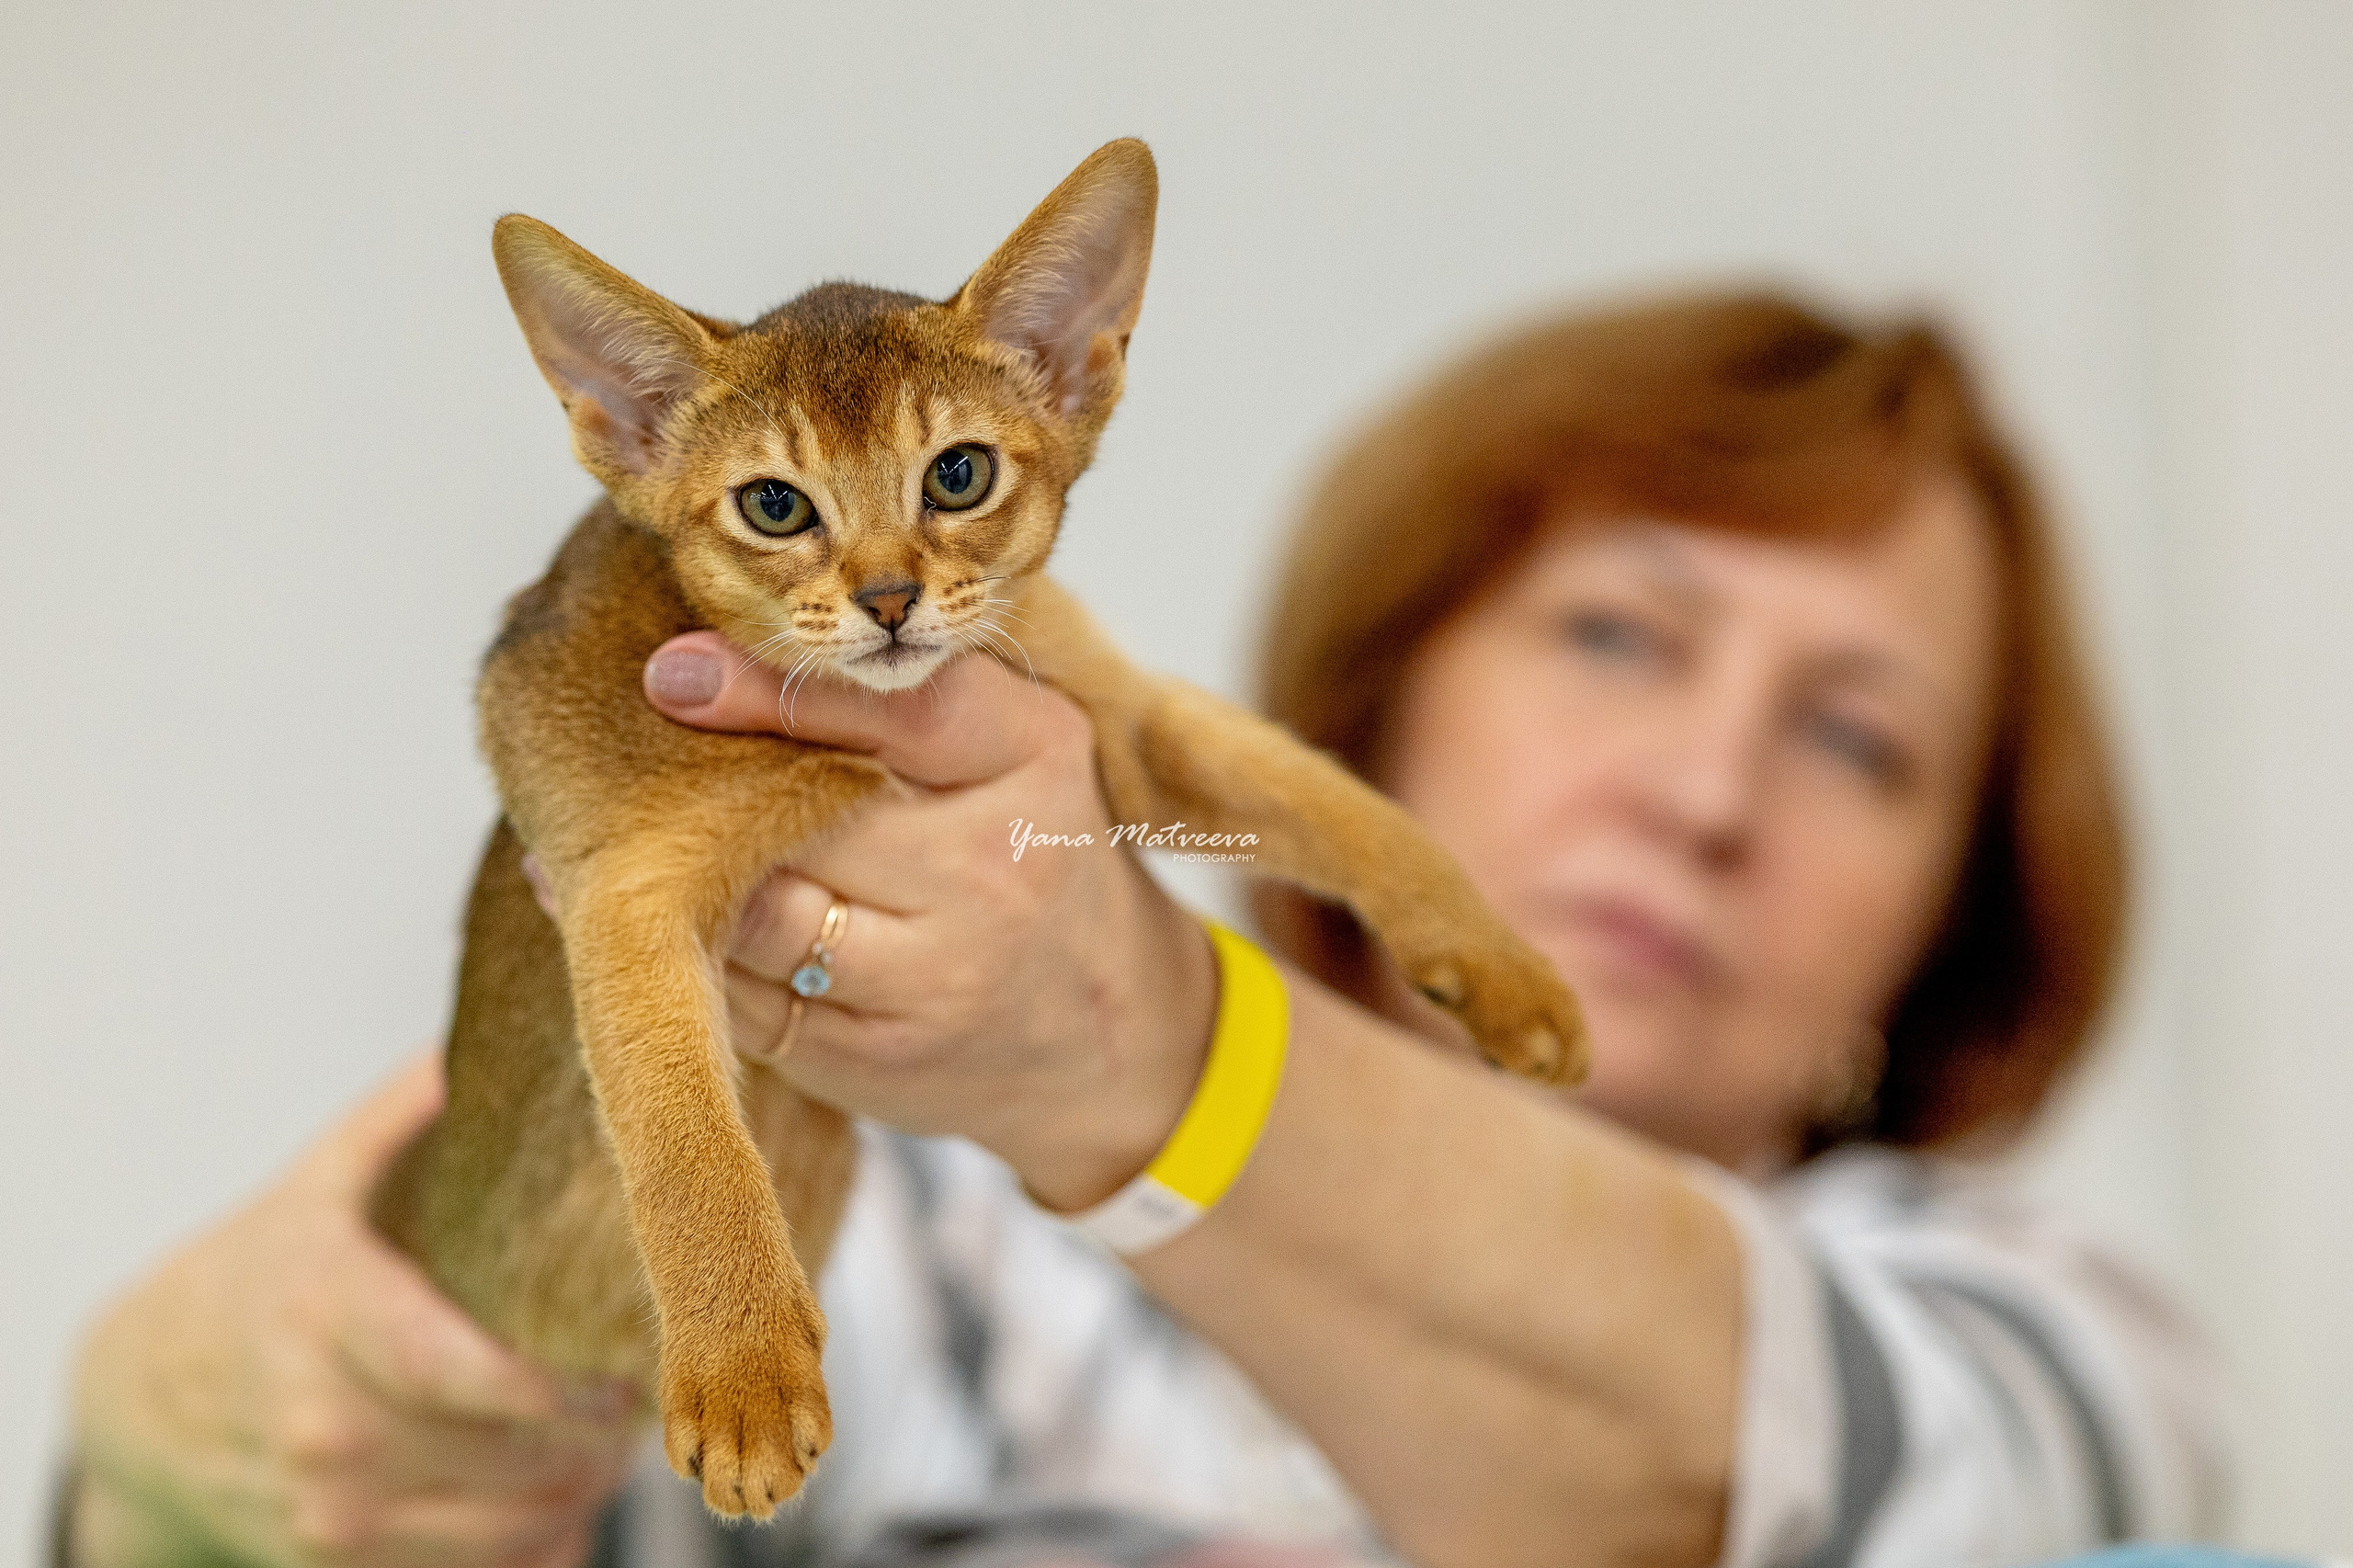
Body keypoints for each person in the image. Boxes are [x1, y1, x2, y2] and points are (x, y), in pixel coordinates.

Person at [61, 292, 2228, 1568]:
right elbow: (422, 1467)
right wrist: (170, 1446)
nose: (1705, 787)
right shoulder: (912, 1249)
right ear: (1383, 687)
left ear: (1957, 900)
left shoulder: (2048, 1334)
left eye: (1856, 737)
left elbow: (1753, 1455)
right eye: (1615, 634)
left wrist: (1150, 1048)